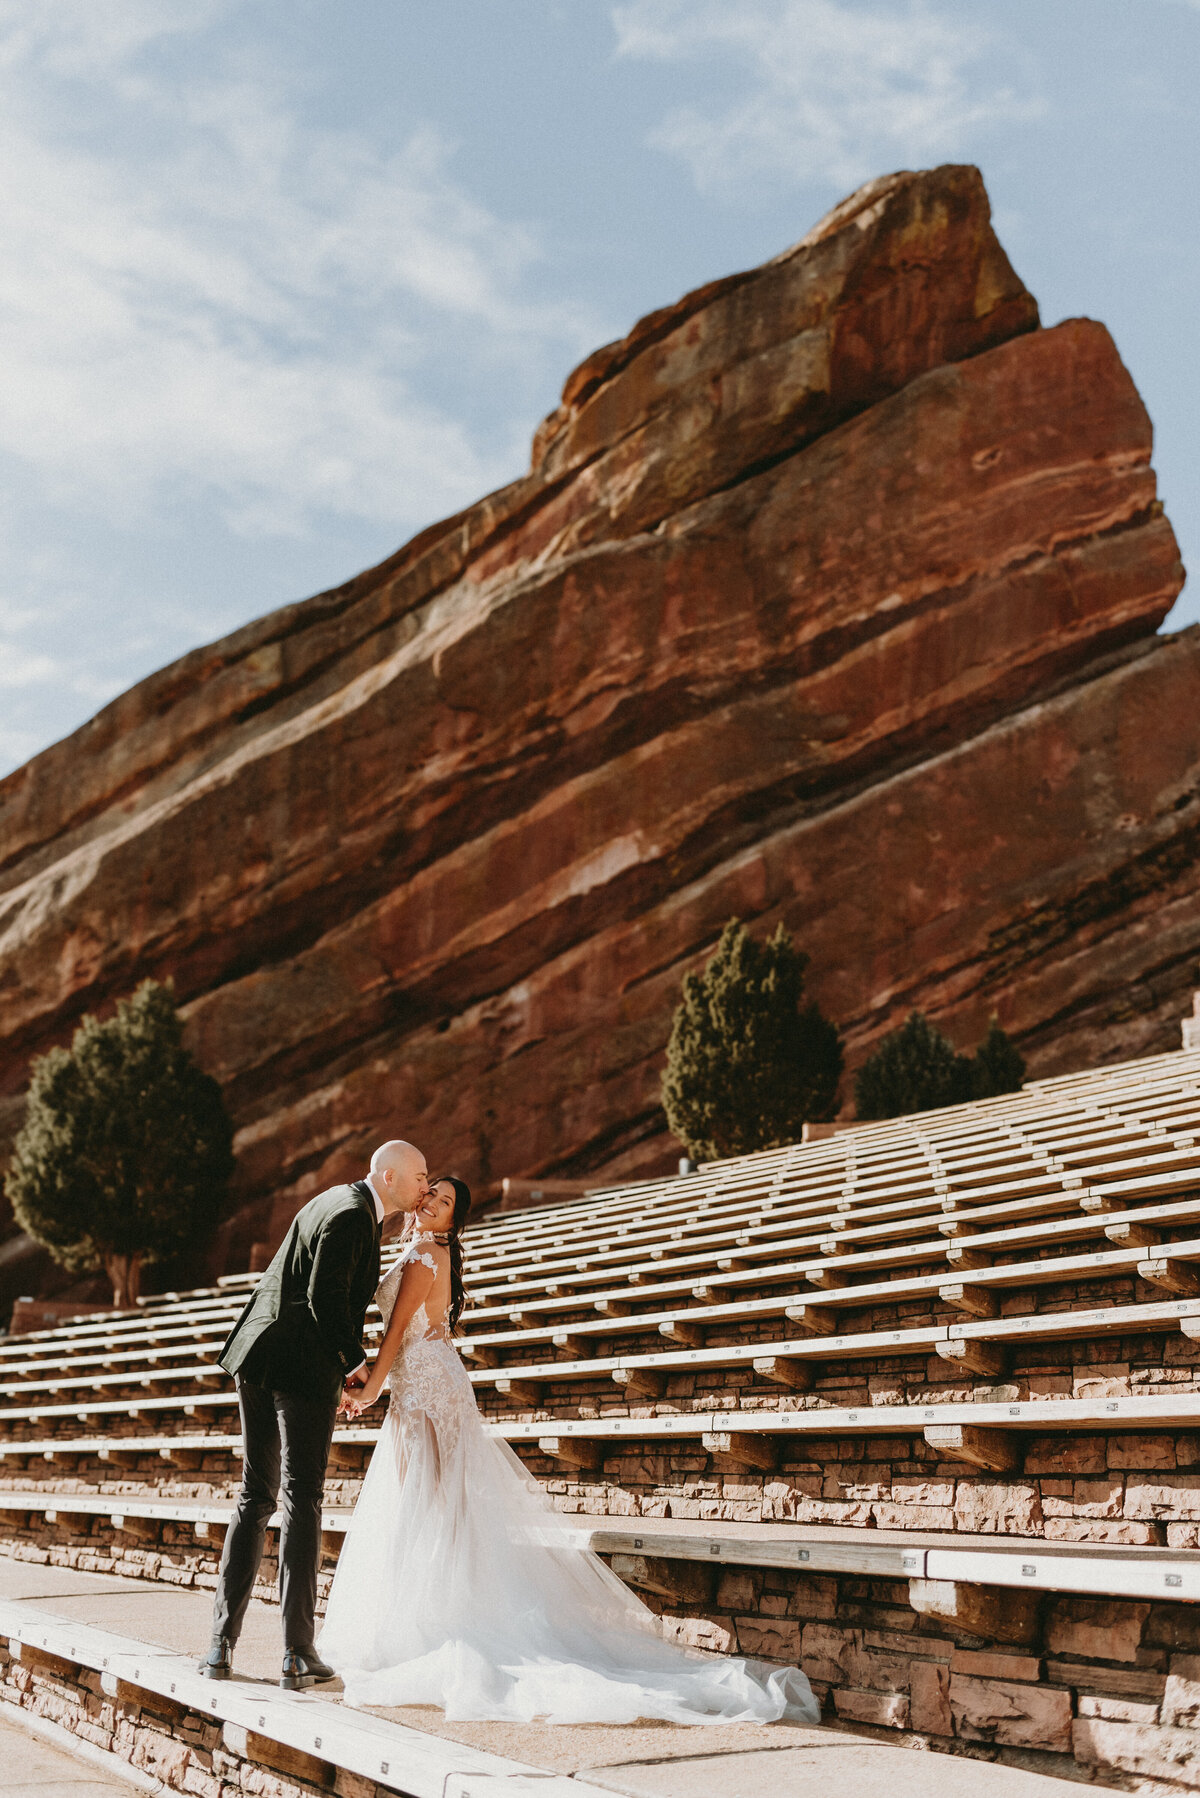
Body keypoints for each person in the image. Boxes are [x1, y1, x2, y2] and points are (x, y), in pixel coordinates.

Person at [318, 1175, 819, 1725]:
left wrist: (367, 1388)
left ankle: (434, 1621)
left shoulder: (423, 1258)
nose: (433, 1204)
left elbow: (394, 1336)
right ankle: (427, 1615)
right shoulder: (421, 1250)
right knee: (432, 1504)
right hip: (424, 1382)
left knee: (430, 1504)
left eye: (446, 1203)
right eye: (432, 1194)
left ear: (454, 1222)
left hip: (427, 1389)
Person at [199, 1140, 430, 1689]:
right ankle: (298, 1652)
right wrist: (355, 1367)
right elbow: (325, 1301)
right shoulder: (353, 1215)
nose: (427, 1183)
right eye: (421, 1175)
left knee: (255, 1496)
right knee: (301, 1496)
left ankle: (219, 1647)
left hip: (256, 1355)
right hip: (299, 1367)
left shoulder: (332, 1200)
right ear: (391, 1176)